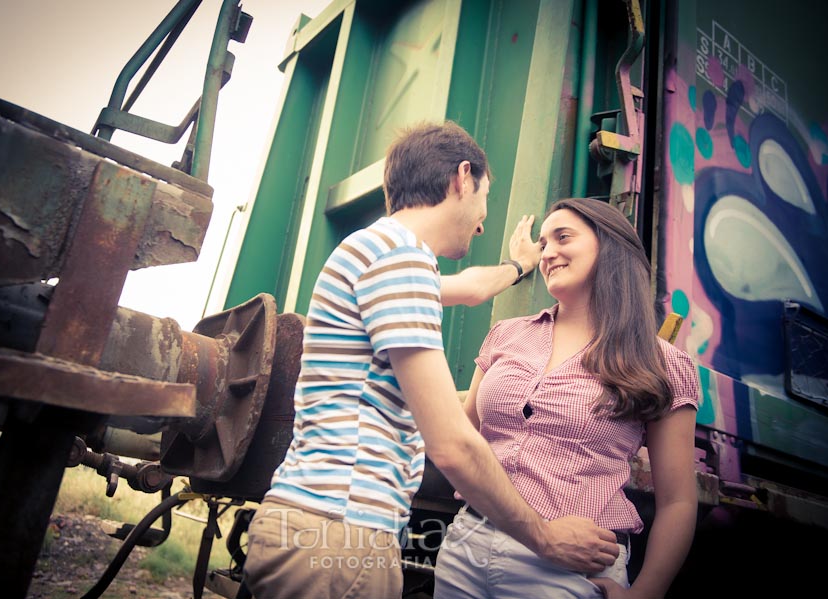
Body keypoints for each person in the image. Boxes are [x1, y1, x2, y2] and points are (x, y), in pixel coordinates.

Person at [242, 124, 620, 599]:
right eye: (485, 197)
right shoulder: (400, 261)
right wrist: (544, 538)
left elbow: (471, 288)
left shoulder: (377, 253)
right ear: (463, 177)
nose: (483, 221)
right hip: (339, 532)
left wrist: (520, 265)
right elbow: (453, 445)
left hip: (317, 522)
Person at [433, 197, 700, 599]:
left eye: (563, 237)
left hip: (569, 571)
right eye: (543, 243)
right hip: (467, 547)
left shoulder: (662, 362)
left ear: (609, 246)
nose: (548, 252)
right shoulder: (507, 335)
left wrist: (647, 591)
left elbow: (678, 500)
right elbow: (464, 441)